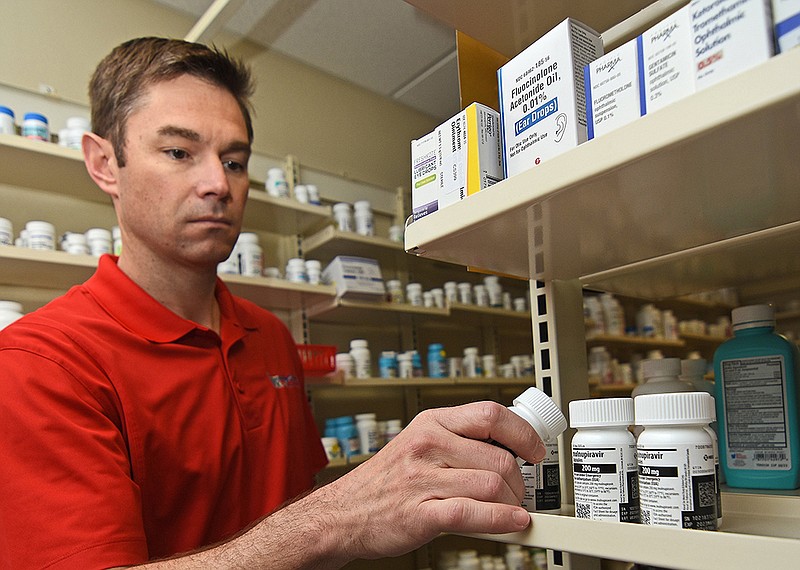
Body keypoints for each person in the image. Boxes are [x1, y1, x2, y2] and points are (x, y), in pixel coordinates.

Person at [0, 37, 546, 569]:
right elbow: (314, 524)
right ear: (103, 163)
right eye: (178, 152)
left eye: (234, 161)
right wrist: (339, 517)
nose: (218, 183)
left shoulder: (270, 337)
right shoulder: (40, 363)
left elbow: (294, 513)